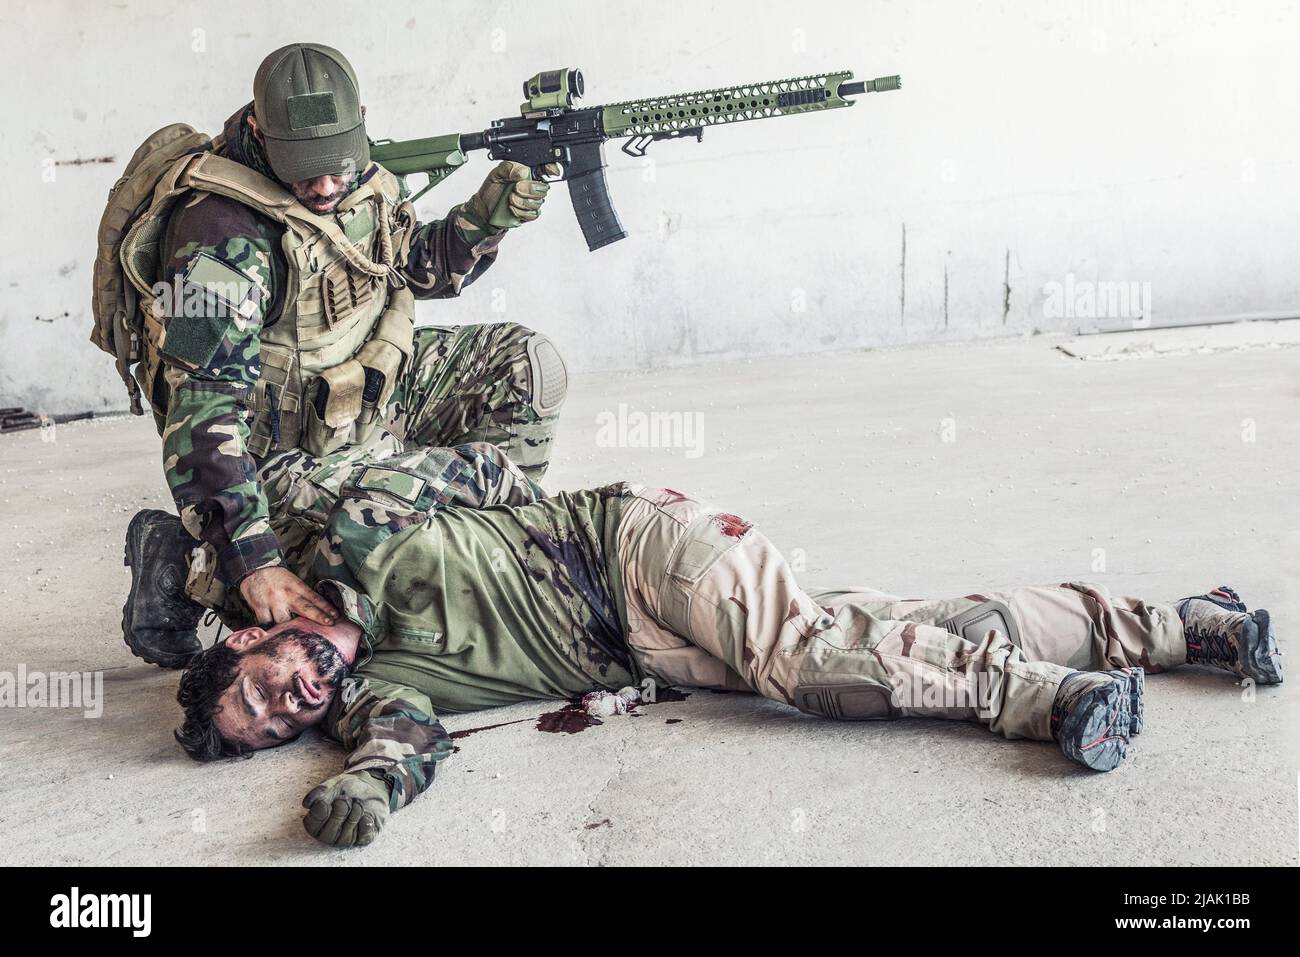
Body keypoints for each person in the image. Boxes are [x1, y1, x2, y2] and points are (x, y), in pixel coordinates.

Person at [160, 444, 1282, 847]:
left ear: (260, 634)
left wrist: (544, 527)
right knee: (912, 634)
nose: (287, 705)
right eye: (272, 728)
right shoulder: (379, 695)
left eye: (263, 687)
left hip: (635, 550)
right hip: (651, 647)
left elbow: (486, 468)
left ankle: (1053, 702)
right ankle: (1186, 623)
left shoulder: (363, 525)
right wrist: (369, 794)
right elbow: (402, 746)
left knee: (814, 669)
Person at [120, 42, 569, 669]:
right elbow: (202, 414)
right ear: (258, 133)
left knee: (527, 364)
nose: (326, 187)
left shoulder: (360, 177)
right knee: (363, 584)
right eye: (304, 170)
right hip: (277, 457)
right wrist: (255, 565)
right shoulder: (220, 240)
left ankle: (491, 549)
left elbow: (405, 269)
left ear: (358, 122)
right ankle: (188, 562)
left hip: (369, 400)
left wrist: (478, 224)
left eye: (336, 165)